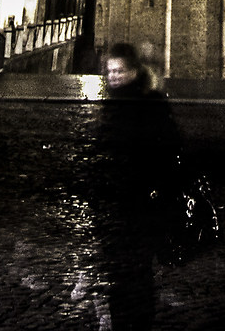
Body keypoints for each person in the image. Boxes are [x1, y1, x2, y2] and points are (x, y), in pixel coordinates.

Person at [81, 42, 183, 330]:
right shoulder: (113, 104)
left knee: (135, 278)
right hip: (115, 213)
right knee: (119, 278)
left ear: (134, 71)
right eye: (110, 70)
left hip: (139, 210)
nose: (113, 76)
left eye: (119, 70)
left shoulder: (148, 104)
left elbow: (167, 152)